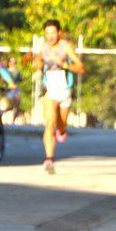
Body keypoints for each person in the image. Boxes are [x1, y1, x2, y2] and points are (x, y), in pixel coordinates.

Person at [33, 20, 84, 174]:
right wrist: (38, 68)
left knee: (61, 125)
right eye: (47, 33)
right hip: (50, 89)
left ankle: (62, 130)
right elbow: (38, 62)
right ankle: (49, 159)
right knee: (49, 123)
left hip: (64, 89)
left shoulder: (65, 47)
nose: (50, 36)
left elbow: (80, 67)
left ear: (59, 32)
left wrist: (64, 64)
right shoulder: (44, 47)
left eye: (53, 33)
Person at [4, 56, 24, 124]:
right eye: (12, 62)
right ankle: (4, 118)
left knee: (17, 106)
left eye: (15, 62)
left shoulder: (17, 72)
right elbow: (4, 81)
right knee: (9, 106)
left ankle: (12, 121)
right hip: (9, 91)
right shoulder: (5, 71)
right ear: (9, 63)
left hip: (16, 90)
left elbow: (21, 79)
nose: (14, 63)